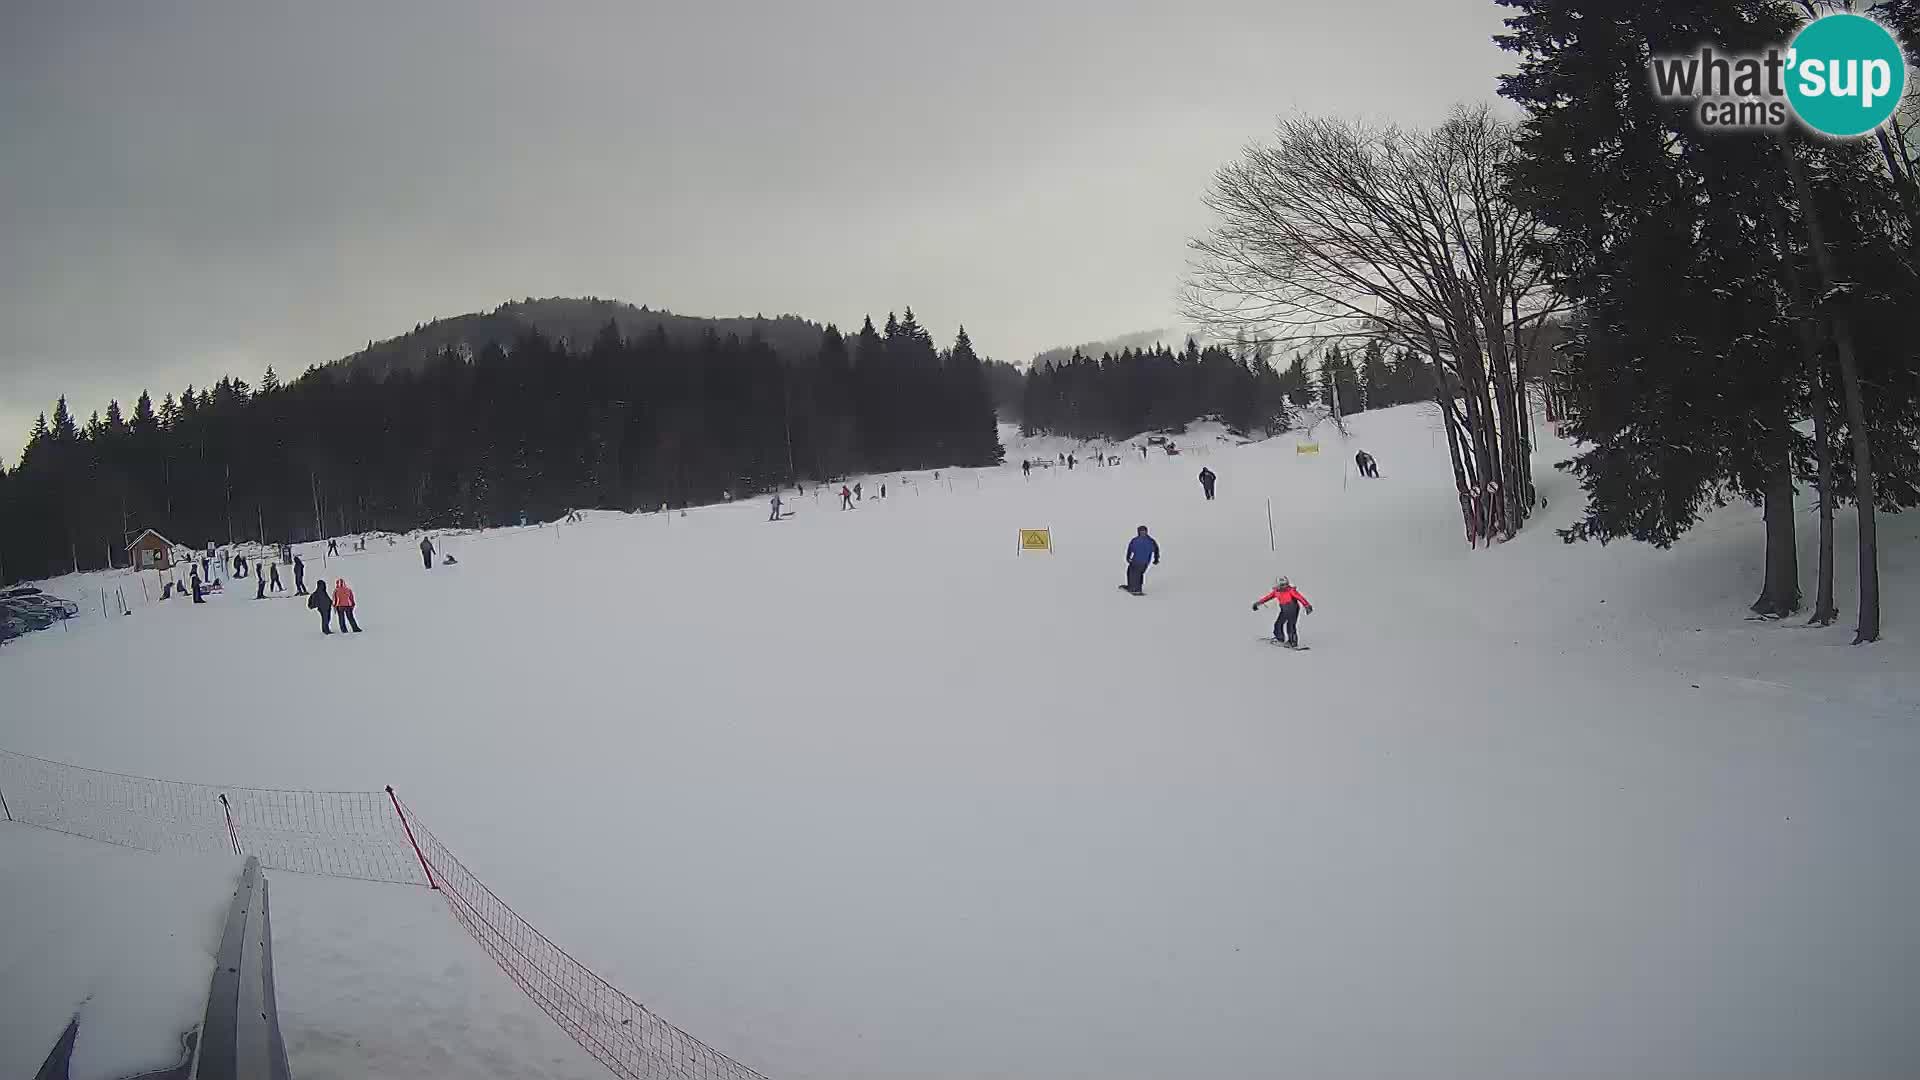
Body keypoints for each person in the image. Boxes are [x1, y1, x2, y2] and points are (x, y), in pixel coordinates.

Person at [1252, 577, 1314, 648]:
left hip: (1292, 609)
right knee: (1278, 624)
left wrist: (1307, 606)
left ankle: (1292, 642)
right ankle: (1280, 638)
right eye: (1282, 585)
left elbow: (1300, 597)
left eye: (1286, 584)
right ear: (1278, 585)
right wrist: (1258, 603)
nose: (1284, 587)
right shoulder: (1276, 592)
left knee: (1290, 625)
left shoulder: (1291, 591)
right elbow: (1268, 597)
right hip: (1284, 609)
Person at [1122, 525, 1160, 595]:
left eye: (1144, 531)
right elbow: (1130, 548)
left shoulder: (1150, 541)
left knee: (1137, 575)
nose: (1142, 533)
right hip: (1135, 560)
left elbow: (1156, 550)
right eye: (1141, 531)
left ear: (1146, 532)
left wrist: (1156, 559)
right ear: (1138, 532)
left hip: (1143, 562)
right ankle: (1131, 587)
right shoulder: (1135, 540)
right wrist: (1128, 557)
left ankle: (1137, 589)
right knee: (1130, 573)